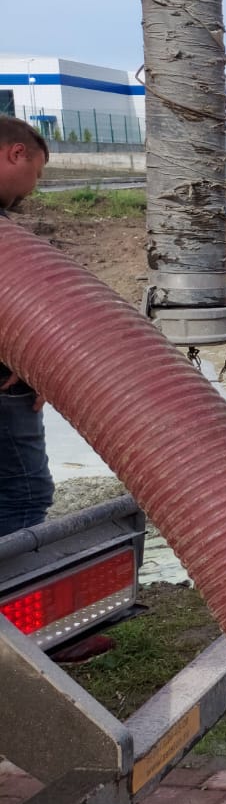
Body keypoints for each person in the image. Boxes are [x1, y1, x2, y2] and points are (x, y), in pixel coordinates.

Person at [0, 119, 53, 535]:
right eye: (35, 174)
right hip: (5, 392)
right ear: (15, 153)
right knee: (25, 494)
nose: (31, 189)